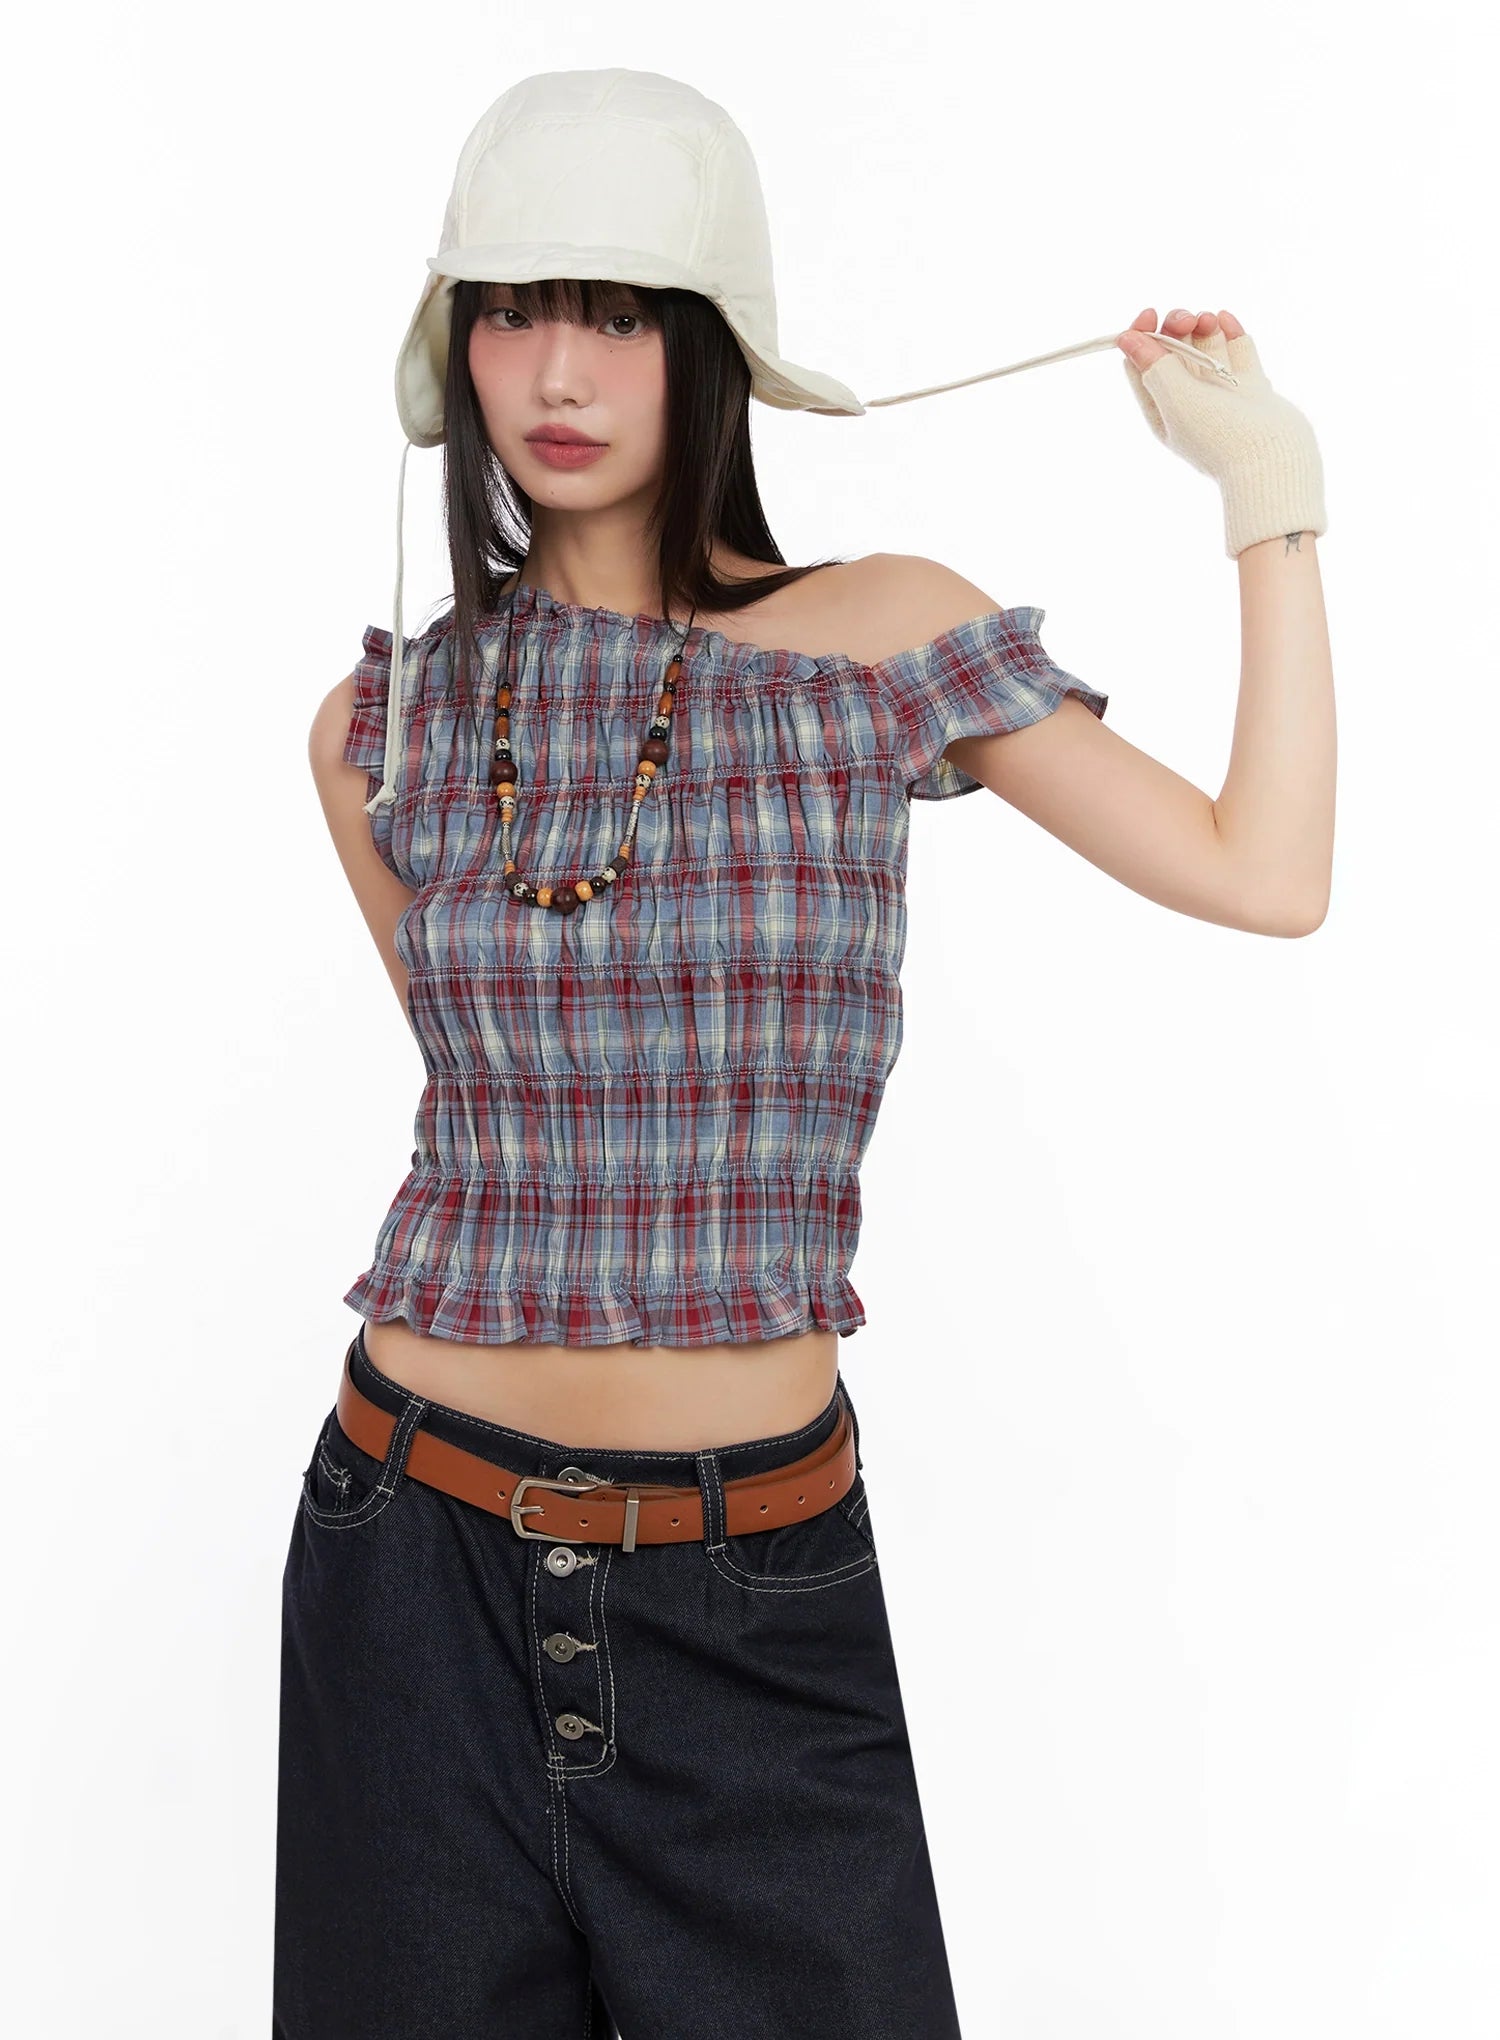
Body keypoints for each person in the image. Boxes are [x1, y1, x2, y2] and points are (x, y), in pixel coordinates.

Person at [276, 69, 1333, 2039]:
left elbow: (1263, 875)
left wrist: (1267, 494)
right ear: (457, 346)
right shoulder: (383, 729)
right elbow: (504, 1118)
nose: (557, 370)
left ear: (710, 348)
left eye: (618, 313)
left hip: (748, 1584)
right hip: (407, 1561)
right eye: (513, 311)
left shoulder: (883, 640)